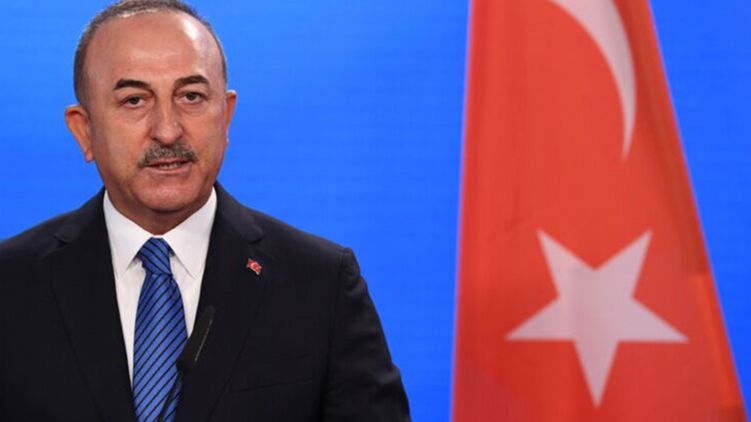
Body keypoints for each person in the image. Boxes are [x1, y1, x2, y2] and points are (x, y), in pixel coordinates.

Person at [0, 1, 410, 421]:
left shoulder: (320, 284)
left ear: (226, 116)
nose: (167, 130)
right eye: (134, 100)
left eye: (191, 97)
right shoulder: (11, 285)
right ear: (84, 130)